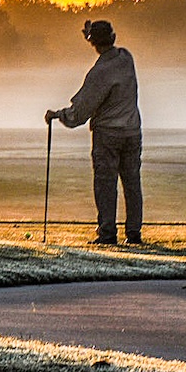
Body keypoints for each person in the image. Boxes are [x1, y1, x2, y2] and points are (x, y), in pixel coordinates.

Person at [45, 20, 143, 245]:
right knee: (132, 182)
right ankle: (134, 232)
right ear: (113, 37)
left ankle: (107, 233)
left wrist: (58, 115)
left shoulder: (99, 73)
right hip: (132, 130)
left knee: (106, 184)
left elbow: (80, 112)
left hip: (108, 134)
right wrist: (91, 35)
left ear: (94, 44)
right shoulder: (126, 58)